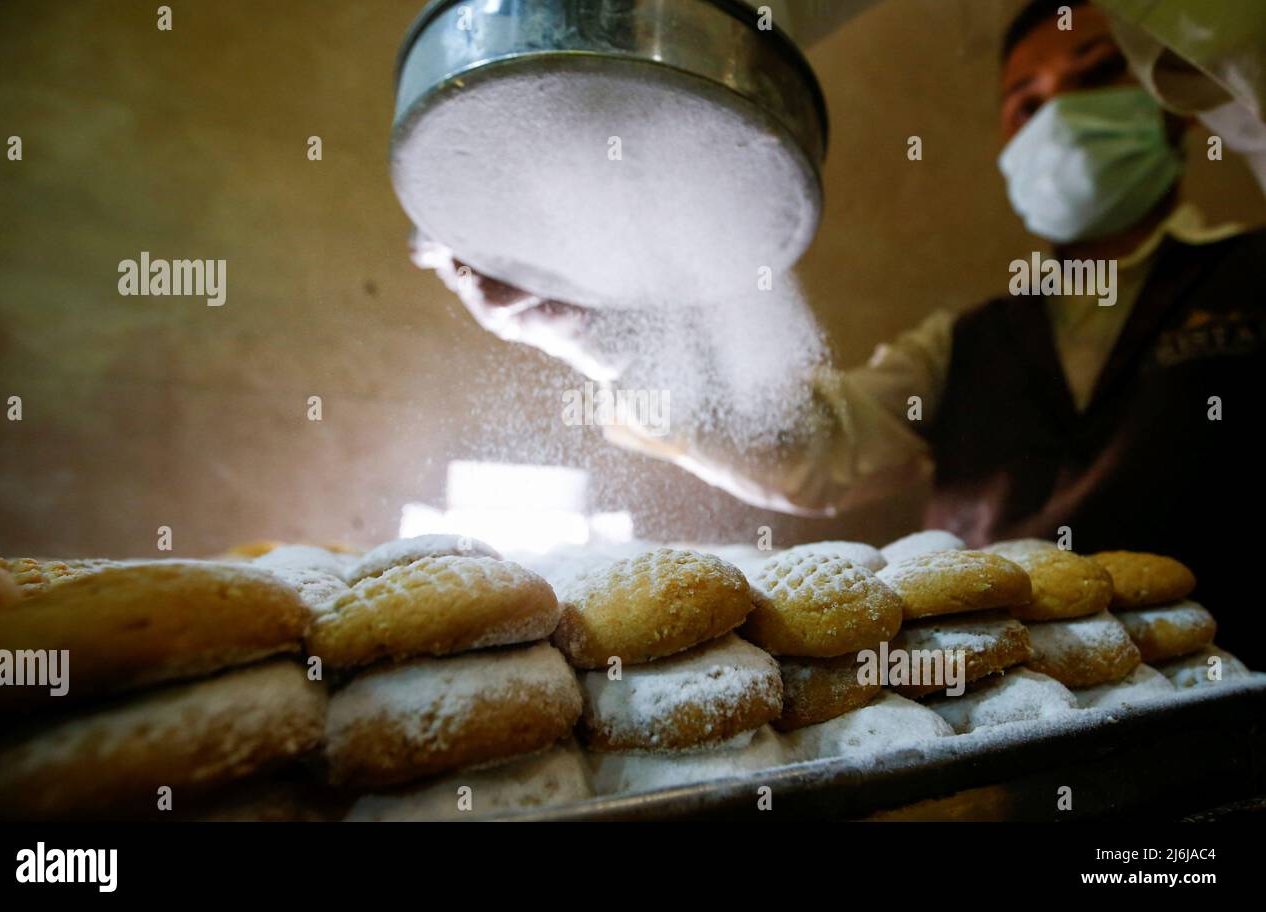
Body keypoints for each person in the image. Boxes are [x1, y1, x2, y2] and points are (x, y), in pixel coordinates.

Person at [413, 0, 1266, 667]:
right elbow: (812, 447)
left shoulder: (1249, 275)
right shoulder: (969, 343)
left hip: (1231, 701)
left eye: (1101, 71)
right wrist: (603, 331)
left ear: (1181, 95)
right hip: (1011, 713)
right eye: (1027, 104)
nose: (1061, 120)